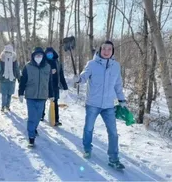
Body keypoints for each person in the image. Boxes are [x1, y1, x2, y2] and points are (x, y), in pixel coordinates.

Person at [74, 40, 126, 169]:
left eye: (109, 49)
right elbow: (84, 76)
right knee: (89, 128)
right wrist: (79, 79)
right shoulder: (92, 64)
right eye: (104, 49)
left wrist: (122, 100)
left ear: (112, 51)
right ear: (100, 50)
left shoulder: (116, 66)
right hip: (93, 103)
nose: (106, 51)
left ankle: (114, 158)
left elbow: (118, 84)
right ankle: (87, 148)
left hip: (108, 105)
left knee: (113, 132)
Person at [19, 47, 53, 147]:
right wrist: (20, 93)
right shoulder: (27, 67)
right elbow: (23, 81)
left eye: (40, 55)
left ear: (43, 57)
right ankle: (31, 138)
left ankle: (34, 128)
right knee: (32, 116)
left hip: (42, 96)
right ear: (33, 56)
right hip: (30, 96)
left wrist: (51, 94)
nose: (38, 57)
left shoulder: (47, 67)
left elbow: (49, 82)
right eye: (36, 55)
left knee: (38, 117)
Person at [42, 47, 68, 125]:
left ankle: (55, 120)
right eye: (48, 54)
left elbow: (61, 75)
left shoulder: (57, 62)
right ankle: (41, 115)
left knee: (55, 102)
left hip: (55, 86)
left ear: (53, 54)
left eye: (51, 53)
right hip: (46, 85)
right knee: (43, 101)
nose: (49, 55)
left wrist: (65, 86)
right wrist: (50, 72)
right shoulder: (43, 63)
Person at [0, 44, 21, 112]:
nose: (8, 53)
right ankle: (3, 106)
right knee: (4, 94)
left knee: (9, 94)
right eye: (6, 52)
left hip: (12, 79)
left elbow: (17, 69)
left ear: (12, 52)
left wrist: (19, 77)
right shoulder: (2, 60)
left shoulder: (14, 61)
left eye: (9, 52)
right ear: (4, 52)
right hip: (3, 79)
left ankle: (7, 106)